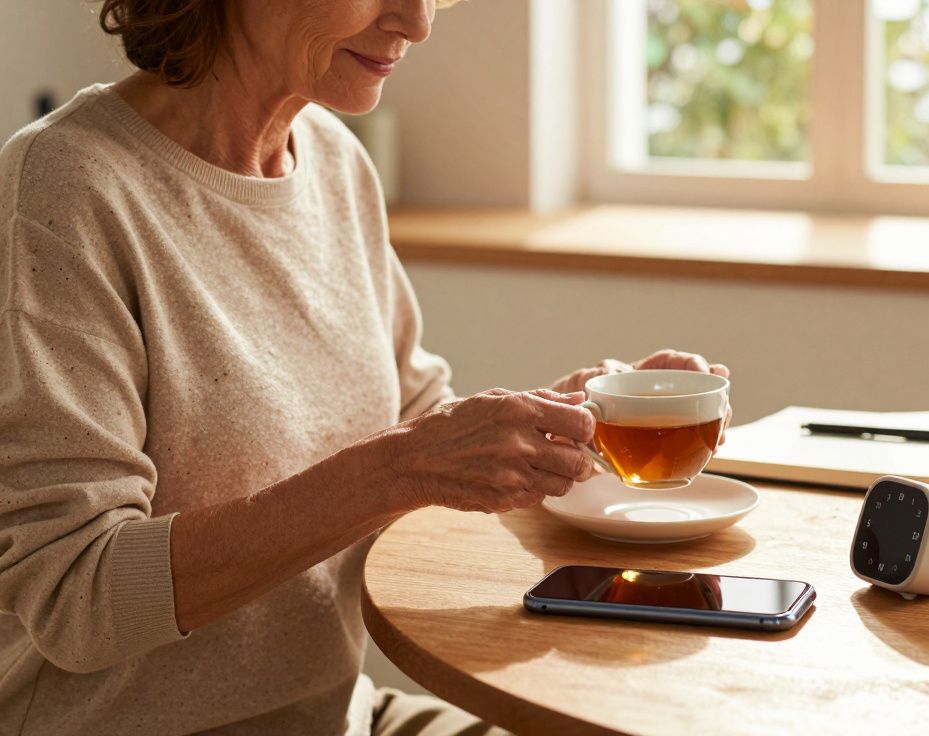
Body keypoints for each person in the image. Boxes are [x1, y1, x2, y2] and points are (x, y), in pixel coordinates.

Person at [0, 1, 728, 734]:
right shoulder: (64, 189)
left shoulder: (335, 160)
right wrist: (398, 470)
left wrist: (556, 422)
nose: (417, 22)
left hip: (342, 719)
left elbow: (414, 425)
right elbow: (74, 596)